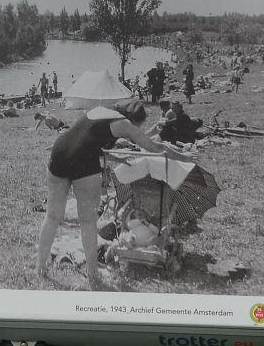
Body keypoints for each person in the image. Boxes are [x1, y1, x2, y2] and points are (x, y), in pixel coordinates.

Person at [37, 99, 185, 290]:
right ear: (133, 119)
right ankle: (93, 275)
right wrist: (181, 156)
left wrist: (116, 156)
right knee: (88, 222)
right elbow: (153, 147)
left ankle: (39, 269)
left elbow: (89, 142)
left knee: (52, 216)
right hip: (83, 164)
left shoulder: (99, 111)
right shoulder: (125, 124)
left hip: (60, 153)